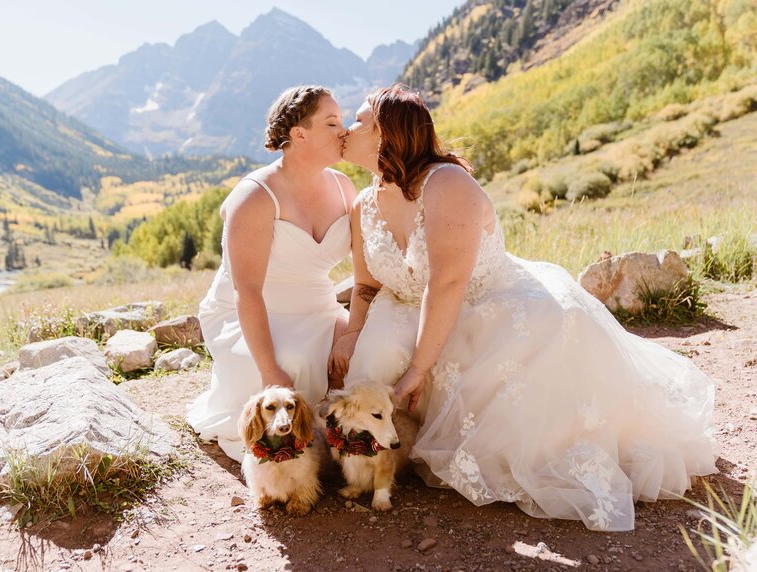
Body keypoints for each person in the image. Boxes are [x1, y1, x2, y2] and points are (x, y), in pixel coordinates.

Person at [331, 84, 716, 531]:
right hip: (405, 303)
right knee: (367, 368)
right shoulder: (364, 204)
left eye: (358, 120)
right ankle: (362, 463)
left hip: (484, 299)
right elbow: (363, 283)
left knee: (518, 385)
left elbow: (448, 282)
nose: (346, 128)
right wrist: (354, 332)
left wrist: (419, 368)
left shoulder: (446, 183)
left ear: (388, 134)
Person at [188, 85, 357, 462]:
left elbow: (365, 272)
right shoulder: (255, 196)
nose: (343, 131)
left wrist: (349, 330)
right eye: (332, 123)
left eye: (343, 122)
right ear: (299, 134)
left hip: (319, 307)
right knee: (292, 366)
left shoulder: (343, 187)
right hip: (252, 310)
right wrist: (270, 369)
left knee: (364, 355)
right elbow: (246, 289)